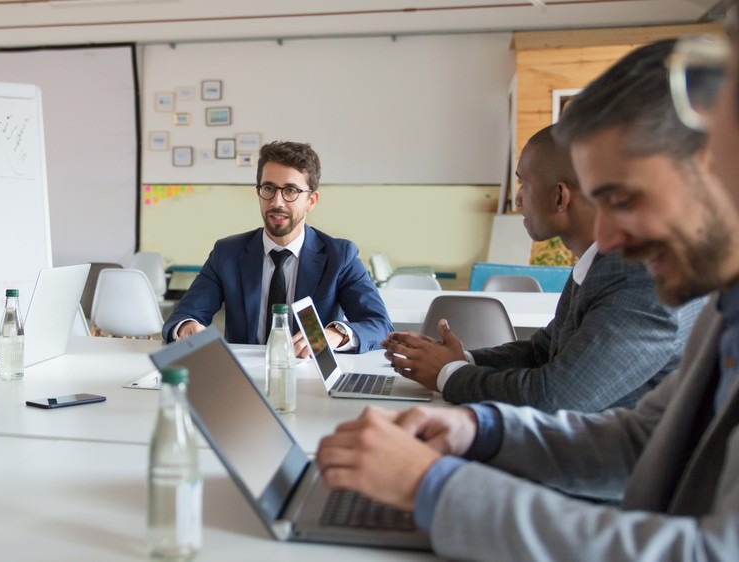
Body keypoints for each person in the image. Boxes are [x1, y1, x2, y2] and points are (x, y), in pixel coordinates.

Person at [315, 37, 739, 560]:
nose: (603, 239)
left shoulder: (669, 289)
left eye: (624, 200)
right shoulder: (725, 311)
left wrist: (434, 486)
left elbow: (711, 552)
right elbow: (644, 439)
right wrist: (479, 429)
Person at [381, 125, 702, 412]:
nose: (518, 199)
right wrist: (460, 359)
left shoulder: (641, 277)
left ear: (560, 197)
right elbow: (543, 351)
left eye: (523, 183)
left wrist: (448, 374)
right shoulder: (603, 264)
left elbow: (556, 397)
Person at [162, 141, 392, 353]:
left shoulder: (339, 256)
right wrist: (186, 327)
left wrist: (335, 334)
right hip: (245, 378)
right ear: (259, 193)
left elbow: (379, 325)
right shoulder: (228, 254)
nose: (276, 202)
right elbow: (183, 315)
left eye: (291, 190)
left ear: (311, 200)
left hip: (309, 376)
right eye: (269, 188)